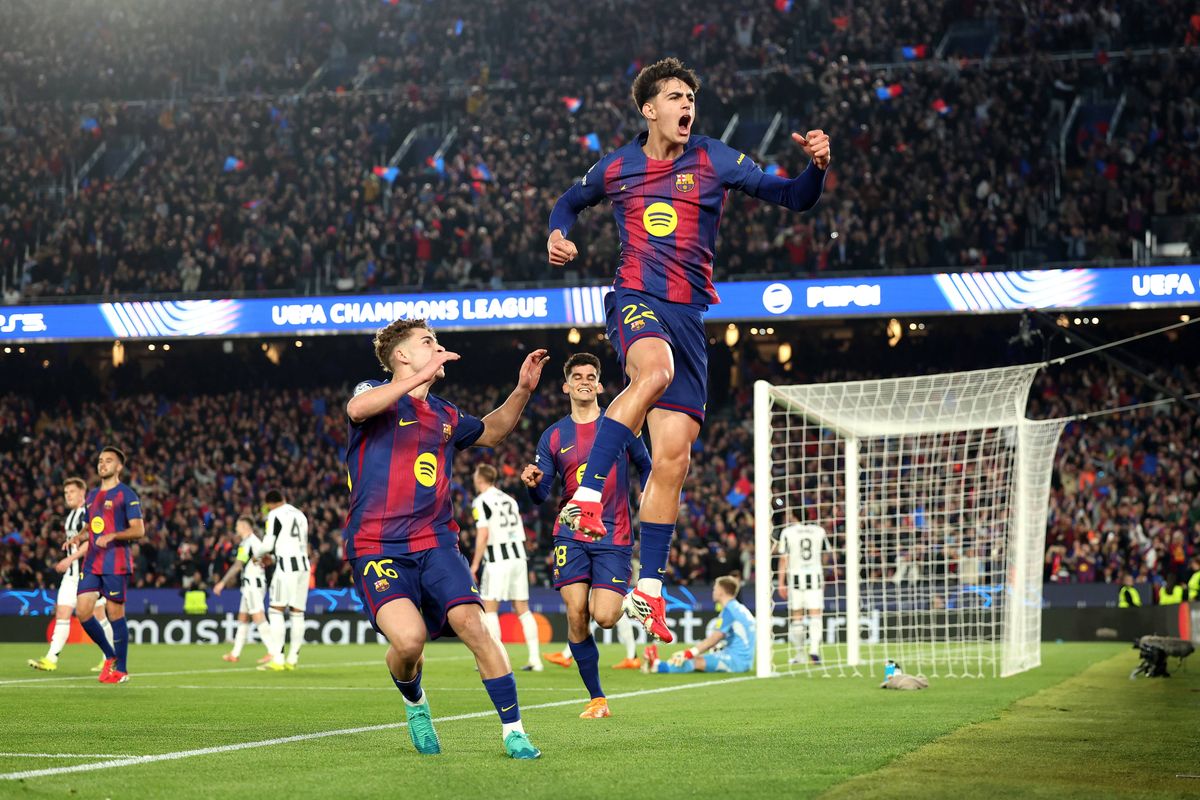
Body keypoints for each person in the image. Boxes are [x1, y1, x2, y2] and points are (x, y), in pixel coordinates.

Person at [546, 56, 830, 642]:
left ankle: (648, 589)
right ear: (648, 109)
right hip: (636, 297)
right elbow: (569, 202)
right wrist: (558, 234)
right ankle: (589, 495)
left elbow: (793, 197)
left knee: (673, 458)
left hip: (690, 315)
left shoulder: (713, 156)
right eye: (675, 96)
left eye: (691, 97)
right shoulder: (618, 165)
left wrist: (817, 168)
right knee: (652, 372)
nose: (687, 106)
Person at [343, 318, 547, 759]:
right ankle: (415, 702)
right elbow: (357, 411)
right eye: (428, 343)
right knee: (409, 641)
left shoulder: (446, 414)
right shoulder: (372, 394)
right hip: (377, 546)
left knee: (474, 625)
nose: (439, 350)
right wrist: (419, 378)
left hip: (436, 542)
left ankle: (514, 731)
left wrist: (523, 391)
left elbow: (492, 432)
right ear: (402, 356)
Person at [522, 353, 651, 719]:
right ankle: (597, 698)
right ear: (566, 386)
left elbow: (646, 465)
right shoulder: (554, 435)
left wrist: (647, 489)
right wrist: (533, 484)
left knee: (606, 616)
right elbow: (542, 492)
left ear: (599, 385)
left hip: (614, 534)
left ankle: (634, 600)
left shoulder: (621, 424)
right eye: (576, 376)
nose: (583, 381)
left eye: (590, 376)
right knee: (576, 616)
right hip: (570, 534)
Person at [65, 446, 145, 684]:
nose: (103, 464)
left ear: (119, 467)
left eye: (108, 461)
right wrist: (79, 536)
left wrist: (113, 535)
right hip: (92, 563)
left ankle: (122, 670)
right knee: (83, 611)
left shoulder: (126, 495)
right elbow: (91, 526)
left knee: (114, 613)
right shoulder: (91, 496)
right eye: (100, 461)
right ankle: (110, 656)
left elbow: (139, 529)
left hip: (115, 562)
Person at [27, 477, 112, 672]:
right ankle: (51, 659)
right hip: (71, 576)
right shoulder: (72, 515)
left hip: (90, 574)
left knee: (100, 617)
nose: (68, 496)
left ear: (82, 493)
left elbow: (91, 540)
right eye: (66, 493)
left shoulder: (87, 513)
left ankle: (109, 657)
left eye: (72, 492)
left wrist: (70, 558)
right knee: (63, 614)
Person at [469, 464, 542, 672]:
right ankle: (535, 660)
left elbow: (483, 534)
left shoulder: (481, 501)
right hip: (518, 557)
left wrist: (475, 564)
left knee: (490, 608)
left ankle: (495, 660)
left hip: (497, 560)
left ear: (479, 479)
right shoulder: (509, 499)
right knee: (523, 609)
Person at [644, 576, 754, 674]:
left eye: (715, 588)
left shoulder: (729, 611)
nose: (713, 591)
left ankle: (658, 666)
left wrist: (689, 653)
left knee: (695, 661)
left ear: (721, 591)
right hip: (744, 659)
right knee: (704, 657)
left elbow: (714, 638)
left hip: (737, 661)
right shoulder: (739, 608)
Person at [258, 489, 310, 671]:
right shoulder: (300, 514)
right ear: (284, 499)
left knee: (275, 610)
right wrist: (272, 558)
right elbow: (294, 544)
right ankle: (293, 658)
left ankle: (278, 658)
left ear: (269, 503)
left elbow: (268, 544)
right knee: (297, 613)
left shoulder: (274, 514)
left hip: (286, 567)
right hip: (304, 566)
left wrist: (257, 555)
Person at [213, 516, 277, 664]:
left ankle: (273, 651)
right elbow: (266, 558)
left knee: (257, 616)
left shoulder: (251, 542)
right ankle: (235, 654)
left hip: (253, 584)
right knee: (243, 618)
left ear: (244, 526)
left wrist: (222, 583)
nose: (236, 528)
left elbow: (238, 565)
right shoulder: (249, 542)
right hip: (249, 585)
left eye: (237, 525)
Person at [776, 518, 831, 664]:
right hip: (815, 579)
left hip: (795, 580)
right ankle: (814, 649)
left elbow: (783, 559)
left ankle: (800, 653)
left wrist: (781, 582)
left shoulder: (788, 532)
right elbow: (825, 556)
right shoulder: (819, 531)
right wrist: (823, 577)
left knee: (797, 617)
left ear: (794, 516)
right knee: (815, 615)